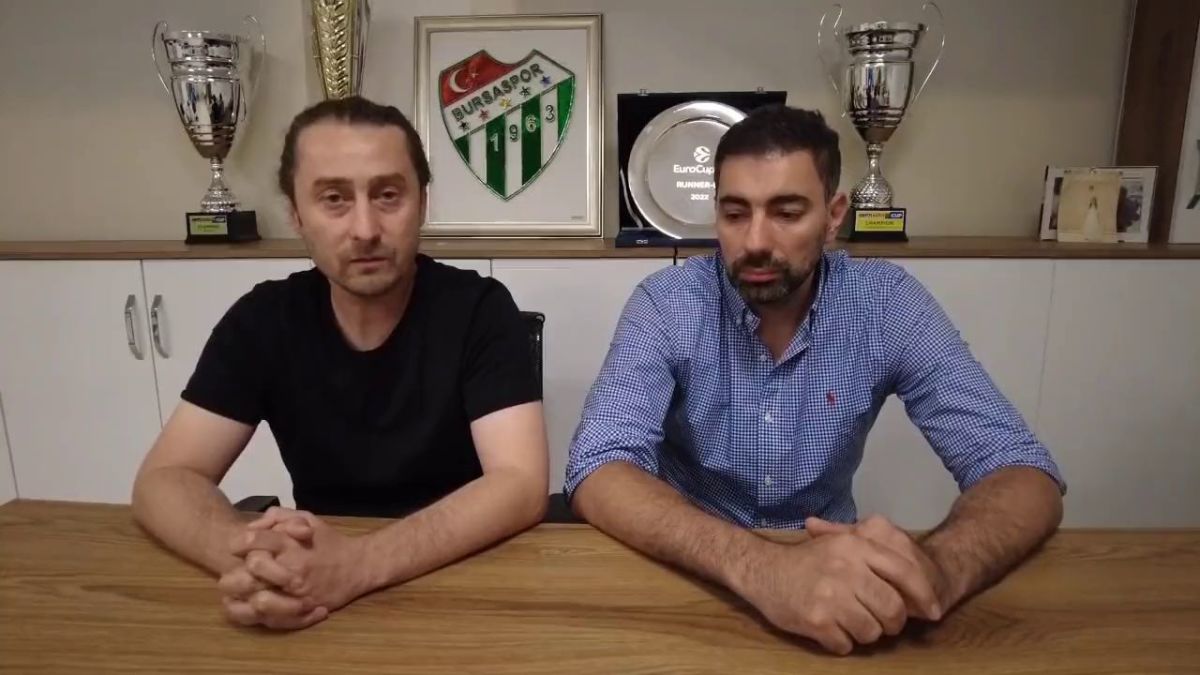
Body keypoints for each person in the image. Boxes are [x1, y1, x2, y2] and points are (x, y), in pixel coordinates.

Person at [565, 105, 1065, 655]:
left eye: (786, 212)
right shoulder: (667, 304)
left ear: (833, 215)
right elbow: (598, 467)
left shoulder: (887, 303)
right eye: (735, 214)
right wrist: (763, 569)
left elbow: (1023, 473)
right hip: (692, 576)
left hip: (834, 587)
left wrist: (939, 570)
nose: (756, 240)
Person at [132, 96, 549, 631]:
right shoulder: (263, 319)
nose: (365, 228)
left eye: (388, 195)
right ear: (296, 214)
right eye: (334, 199)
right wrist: (253, 559)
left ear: (423, 203)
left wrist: (357, 565)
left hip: (458, 579)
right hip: (317, 595)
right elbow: (165, 478)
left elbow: (519, 483)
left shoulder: (481, 310)